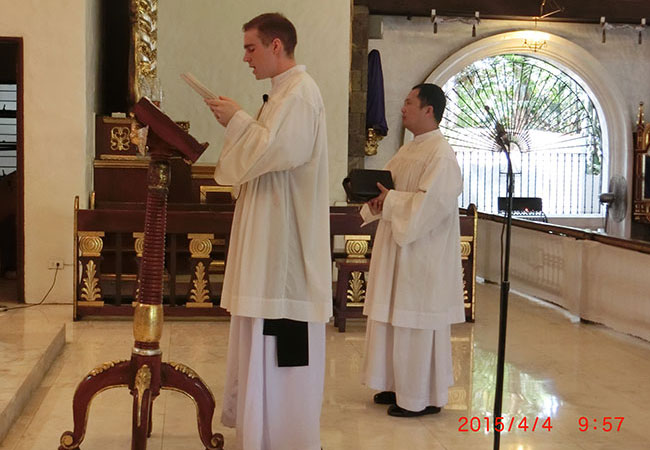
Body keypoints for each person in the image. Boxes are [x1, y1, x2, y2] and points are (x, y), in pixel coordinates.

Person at [205, 13, 331, 450]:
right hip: (268, 244)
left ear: (276, 45)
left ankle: (287, 438)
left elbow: (280, 151)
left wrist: (238, 120)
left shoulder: (300, 93)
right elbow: (260, 155)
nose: (245, 57)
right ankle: (262, 434)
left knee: (280, 343)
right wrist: (242, 121)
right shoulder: (281, 95)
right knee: (260, 337)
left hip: (284, 252)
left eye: (251, 48)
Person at [360, 83, 465, 417]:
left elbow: (431, 206)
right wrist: (376, 200)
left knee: (415, 323)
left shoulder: (441, 155)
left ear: (428, 109)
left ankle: (419, 397)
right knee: (395, 319)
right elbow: (388, 189)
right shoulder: (408, 150)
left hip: (422, 255)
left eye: (409, 102)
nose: (402, 108)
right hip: (397, 250)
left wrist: (391, 201)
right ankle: (396, 384)